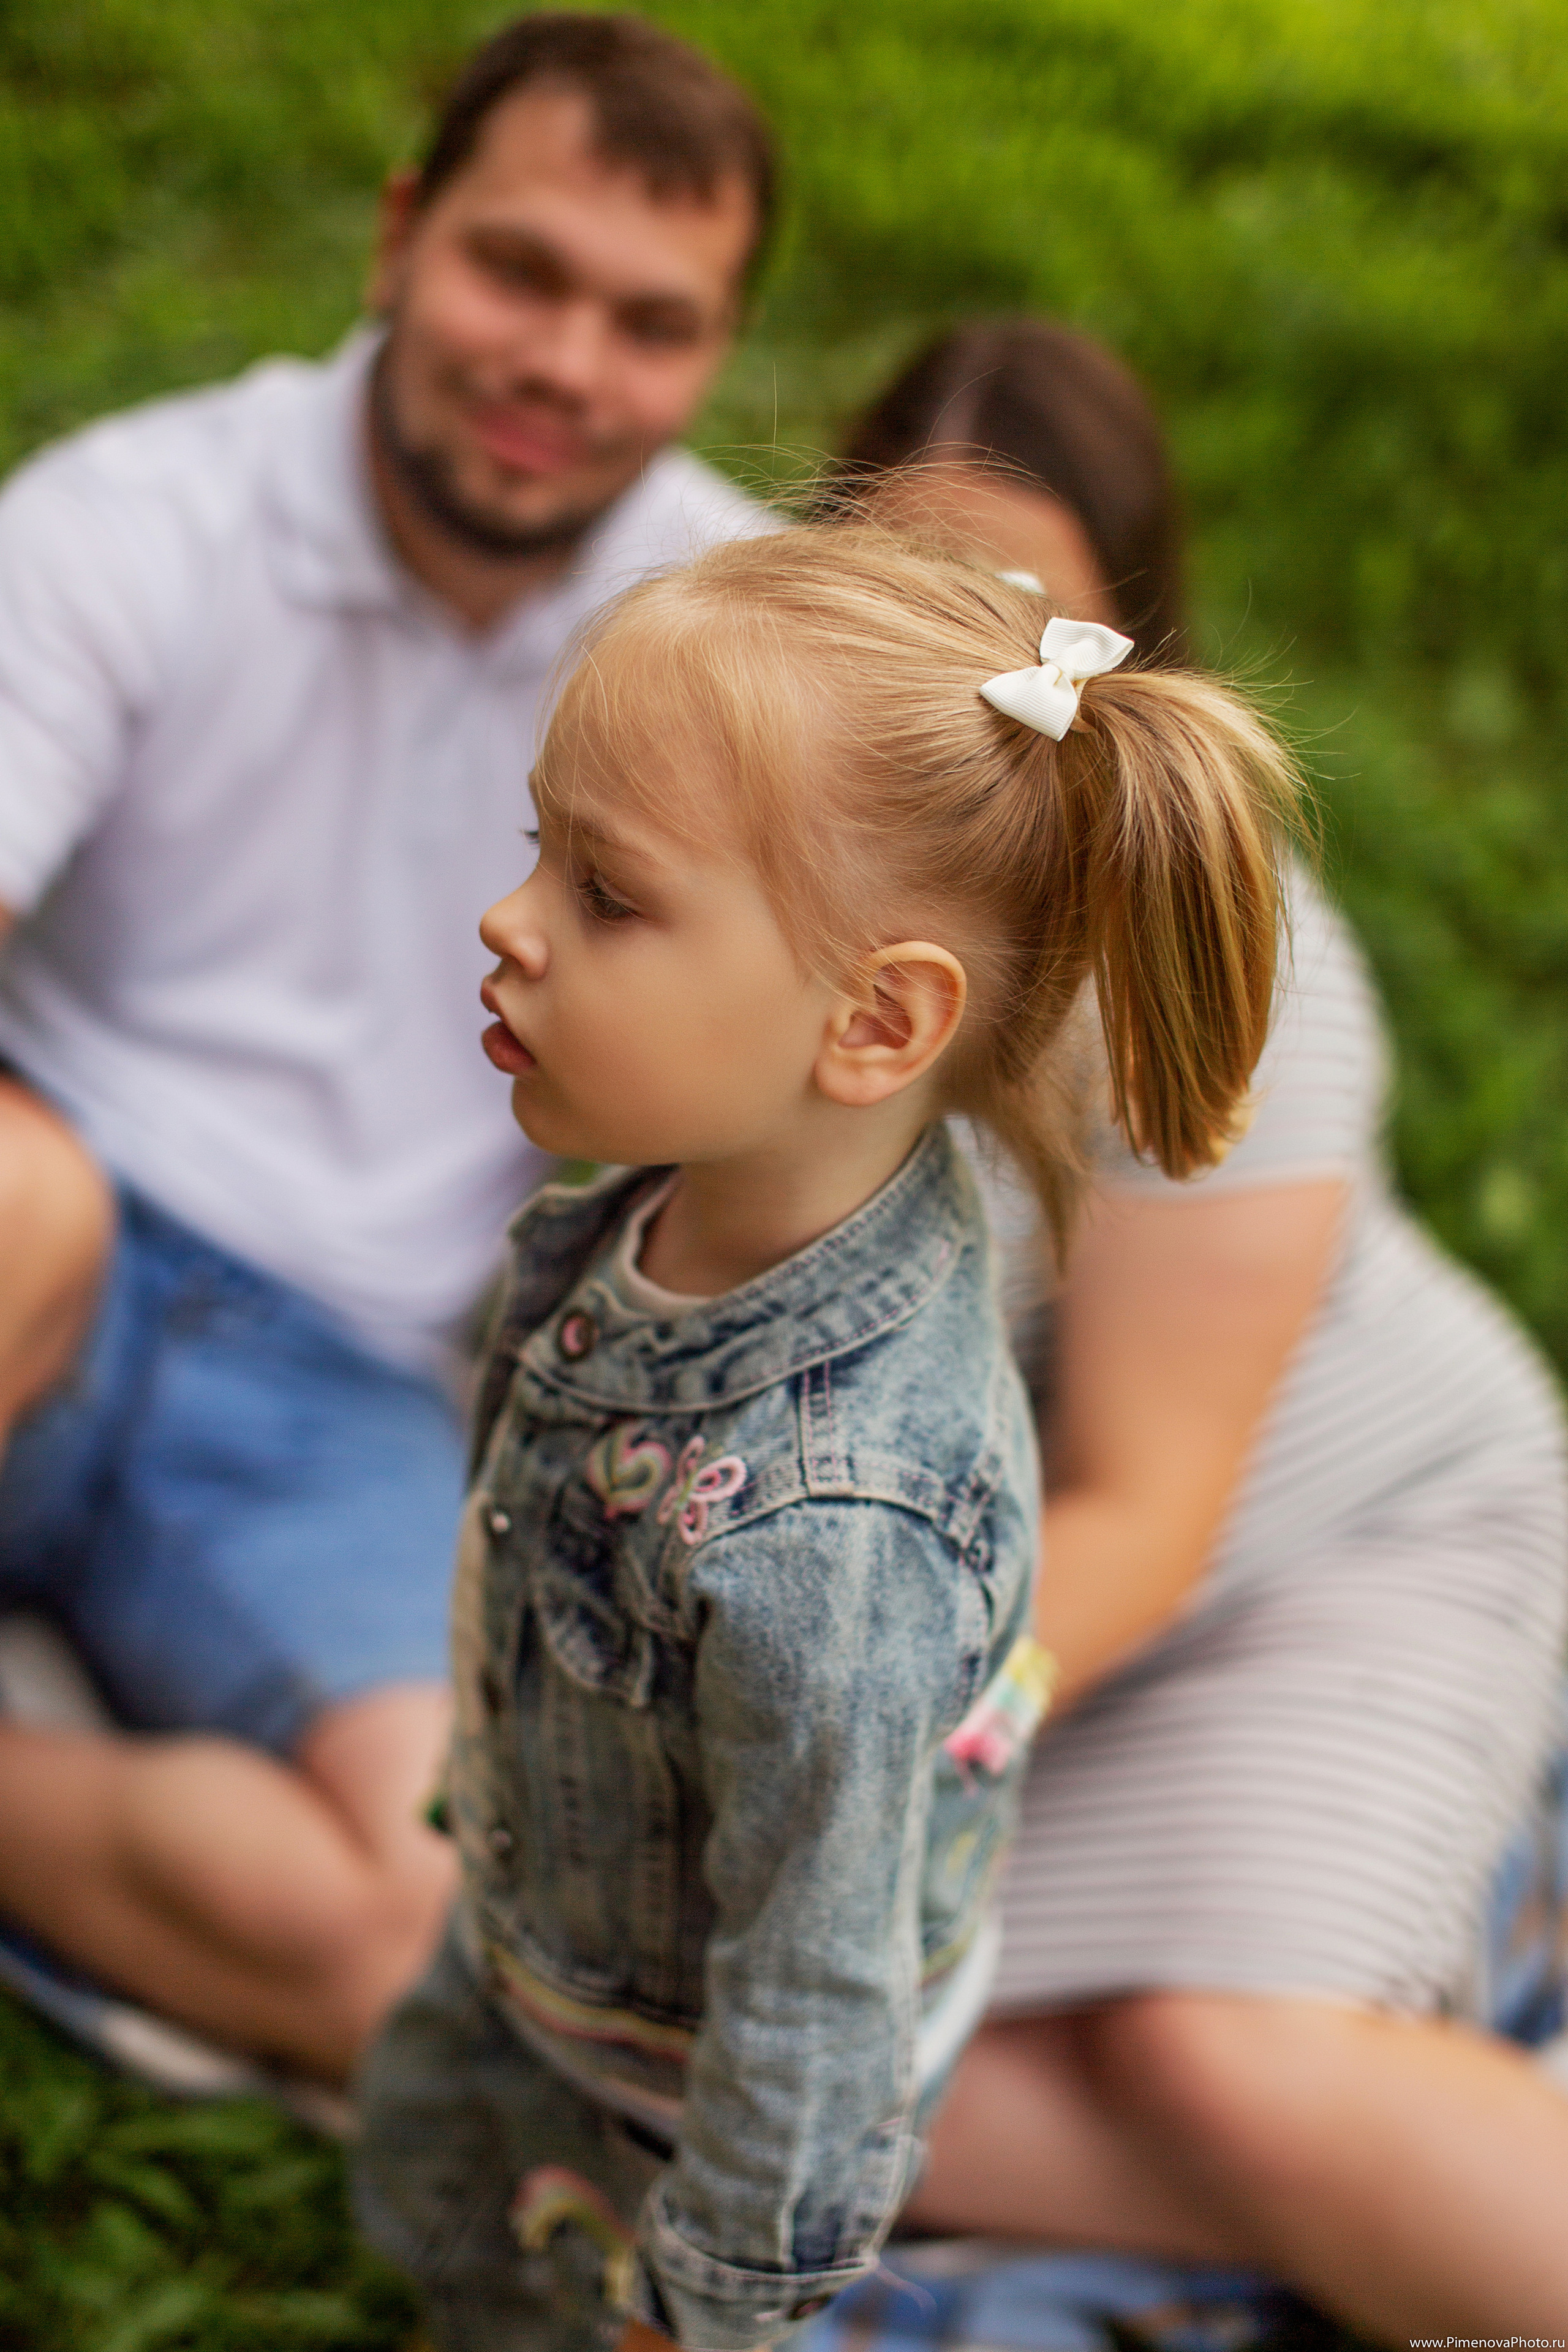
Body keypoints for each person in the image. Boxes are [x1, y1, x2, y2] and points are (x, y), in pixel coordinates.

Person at [352, 520, 1302, 2352]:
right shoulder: (667, 1200)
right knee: (448, 2216)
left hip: (681, 2096)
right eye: (538, 844)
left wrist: (702, 2311)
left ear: (875, 1021)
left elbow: (812, 2010)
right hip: (554, 1938)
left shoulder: (832, 1525)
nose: (511, 919)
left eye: (606, 893)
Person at [0, 11, 775, 2085]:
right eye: (517, 271)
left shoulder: (724, 626)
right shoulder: (135, 517)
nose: (566, 367)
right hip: (46, 1227)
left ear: (710, 357)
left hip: (338, 1373)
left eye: (650, 319)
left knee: (425, 1943)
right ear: (400, 239)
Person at [836, 322, 1568, 2337]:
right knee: (725, 2056)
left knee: (1213, 2057)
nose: (962, 691)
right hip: (1004, 1593)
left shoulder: (1211, 964)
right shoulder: (769, 879)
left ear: (1124, 664)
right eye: (902, 613)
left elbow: (1147, 1506)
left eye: (1030, 639)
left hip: (1332, 1536)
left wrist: (830, 1733)